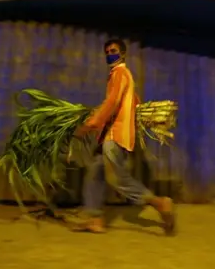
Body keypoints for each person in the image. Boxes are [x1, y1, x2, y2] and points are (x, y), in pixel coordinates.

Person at [72, 38, 176, 235]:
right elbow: (132, 104)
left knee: (117, 179)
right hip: (109, 136)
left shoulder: (120, 73)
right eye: (107, 51)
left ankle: (159, 203)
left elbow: (112, 103)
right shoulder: (125, 78)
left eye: (113, 50)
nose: (110, 53)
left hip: (114, 136)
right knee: (95, 173)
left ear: (123, 53)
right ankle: (95, 219)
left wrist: (90, 125)